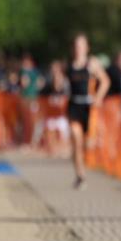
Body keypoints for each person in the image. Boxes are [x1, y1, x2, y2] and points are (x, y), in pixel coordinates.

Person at [67, 33, 109, 190]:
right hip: (73, 106)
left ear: (87, 47)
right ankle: (80, 175)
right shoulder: (69, 65)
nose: (79, 49)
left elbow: (105, 81)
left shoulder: (92, 64)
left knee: (86, 145)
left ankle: (82, 168)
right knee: (76, 139)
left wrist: (98, 97)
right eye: (76, 46)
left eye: (81, 45)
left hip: (88, 107)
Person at [42, 60, 70, 156]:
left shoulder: (65, 82)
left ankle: (64, 148)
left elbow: (67, 95)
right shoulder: (48, 81)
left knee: (62, 132)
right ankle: (52, 148)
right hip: (51, 113)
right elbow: (44, 94)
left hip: (61, 114)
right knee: (50, 130)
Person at [19, 52, 44, 148]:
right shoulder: (36, 71)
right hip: (33, 98)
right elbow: (40, 82)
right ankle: (32, 141)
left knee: (30, 121)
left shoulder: (25, 72)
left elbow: (24, 83)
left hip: (29, 98)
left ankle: (30, 142)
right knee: (32, 121)